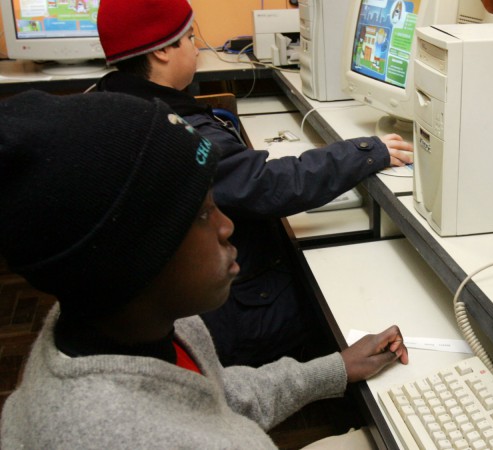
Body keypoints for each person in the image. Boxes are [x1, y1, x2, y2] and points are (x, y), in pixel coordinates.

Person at [0, 90, 409, 449]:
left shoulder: (130, 323)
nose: (227, 225)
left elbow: (211, 395)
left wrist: (334, 367)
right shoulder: (135, 435)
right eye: (201, 214)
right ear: (135, 255)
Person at [93, 0, 414, 367]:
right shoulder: (172, 133)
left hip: (196, 294)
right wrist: (365, 152)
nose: (197, 48)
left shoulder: (113, 102)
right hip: (235, 312)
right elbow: (266, 185)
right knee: (346, 296)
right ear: (164, 50)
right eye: (190, 38)